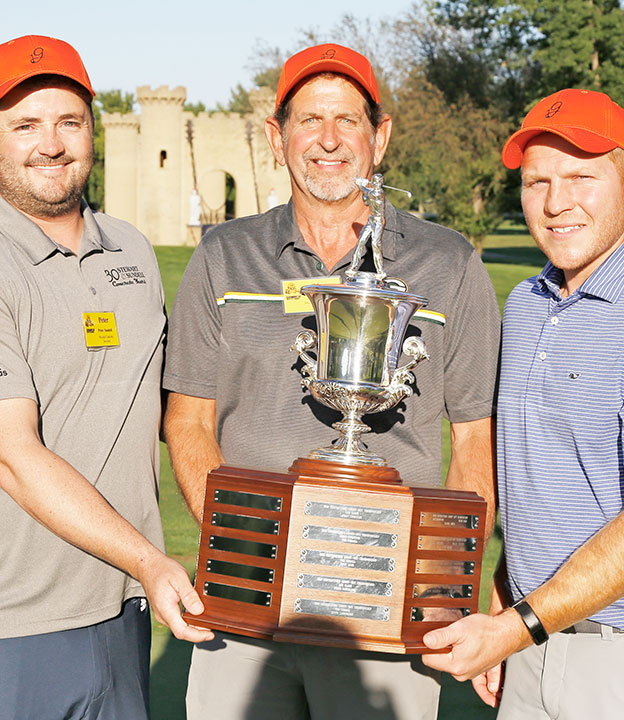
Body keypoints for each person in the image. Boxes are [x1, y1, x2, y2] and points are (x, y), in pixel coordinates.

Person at [163, 43, 500, 720]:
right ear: (275, 135)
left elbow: (473, 441)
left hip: (385, 607)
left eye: (348, 120)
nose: (327, 140)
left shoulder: (449, 263)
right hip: (247, 604)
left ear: (380, 137)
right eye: (309, 119)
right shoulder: (223, 257)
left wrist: (444, 584)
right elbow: (188, 423)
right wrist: (252, 549)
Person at [0, 35, 211, 718]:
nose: (51, 143)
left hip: (119, 610)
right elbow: (13, 456)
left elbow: (174, 408)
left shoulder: (129, 250)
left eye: (69, 121)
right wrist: (152, 562)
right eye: (24, 125)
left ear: (93, 130)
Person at [423, 88, 624, 719]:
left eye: (580, 177)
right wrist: (502, 591)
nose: (555, 202)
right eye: (536, 180)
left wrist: (514, 628)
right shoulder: (525, 305)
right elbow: (546, 478)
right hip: (537, 643)